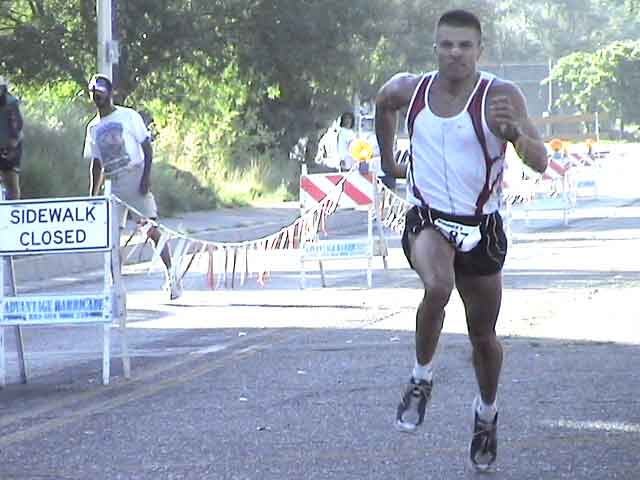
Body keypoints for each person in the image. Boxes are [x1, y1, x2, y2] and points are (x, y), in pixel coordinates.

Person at [375, 9, 547, 471]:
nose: (455, 53)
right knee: (437, 286)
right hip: (427, 218)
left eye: (465, 45)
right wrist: (389, 161)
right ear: (435, 48)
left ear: (479, 50)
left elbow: (541, 161)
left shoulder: (500, 96)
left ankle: (486, 414)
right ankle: (421, 378)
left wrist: (515, 136)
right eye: (447, 44)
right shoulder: (410, 89)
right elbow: (384, 103)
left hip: (481, 226)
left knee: (483, 337)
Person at [83, 74, 182, 301]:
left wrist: (146, 177)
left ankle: (171, 274)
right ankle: (116, 287)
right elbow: (97, 163)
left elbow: (146, 146)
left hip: (134, 176)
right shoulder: (93, 127)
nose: (97, 97)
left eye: (100, 93)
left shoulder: (128, 116)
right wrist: (93, 196)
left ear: (110, 93)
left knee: (151, 229)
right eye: (94, 94)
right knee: (111, 239)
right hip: (113, 184)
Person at [0, 76, 23, 200]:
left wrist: (12, 145)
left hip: (11, 146)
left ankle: (14, 208)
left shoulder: (11, 103)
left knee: (12, 182)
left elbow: (18, 125)